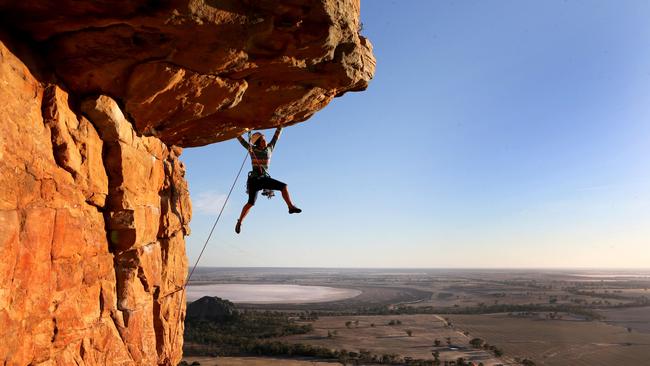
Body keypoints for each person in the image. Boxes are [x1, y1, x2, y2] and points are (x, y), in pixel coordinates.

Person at [235, 127, 301, 234]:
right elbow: (242, 141)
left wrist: (281, 125)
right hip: (254, 180)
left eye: (265, 139)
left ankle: (290, 207)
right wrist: (236, 133)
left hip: (263, 179)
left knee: (284, 187)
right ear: (258, 142)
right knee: (251, 203)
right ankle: (239, 222)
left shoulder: (270, 148)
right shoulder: (252, 149)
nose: (265, 141)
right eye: (263, 140)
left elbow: (276, 137)